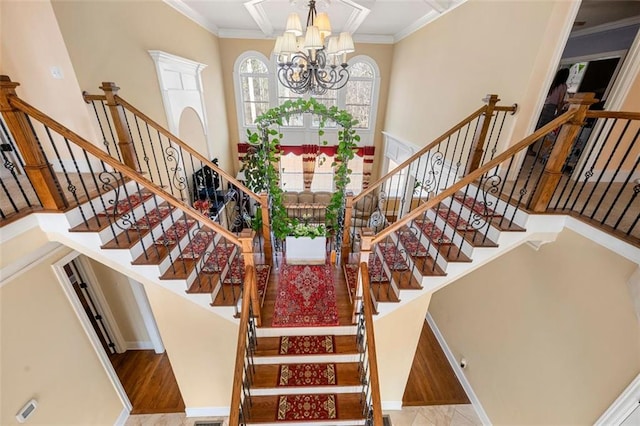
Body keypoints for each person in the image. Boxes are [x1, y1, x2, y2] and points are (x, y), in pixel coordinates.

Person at [529, 68, 570, 156]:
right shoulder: (563, 86)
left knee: (536, 127)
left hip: (543, 106)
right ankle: (530, 148)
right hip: (550, 108)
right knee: (541, 129)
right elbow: (560, 101)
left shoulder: (553, 84)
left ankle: (529, 147)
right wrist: (559, 113)